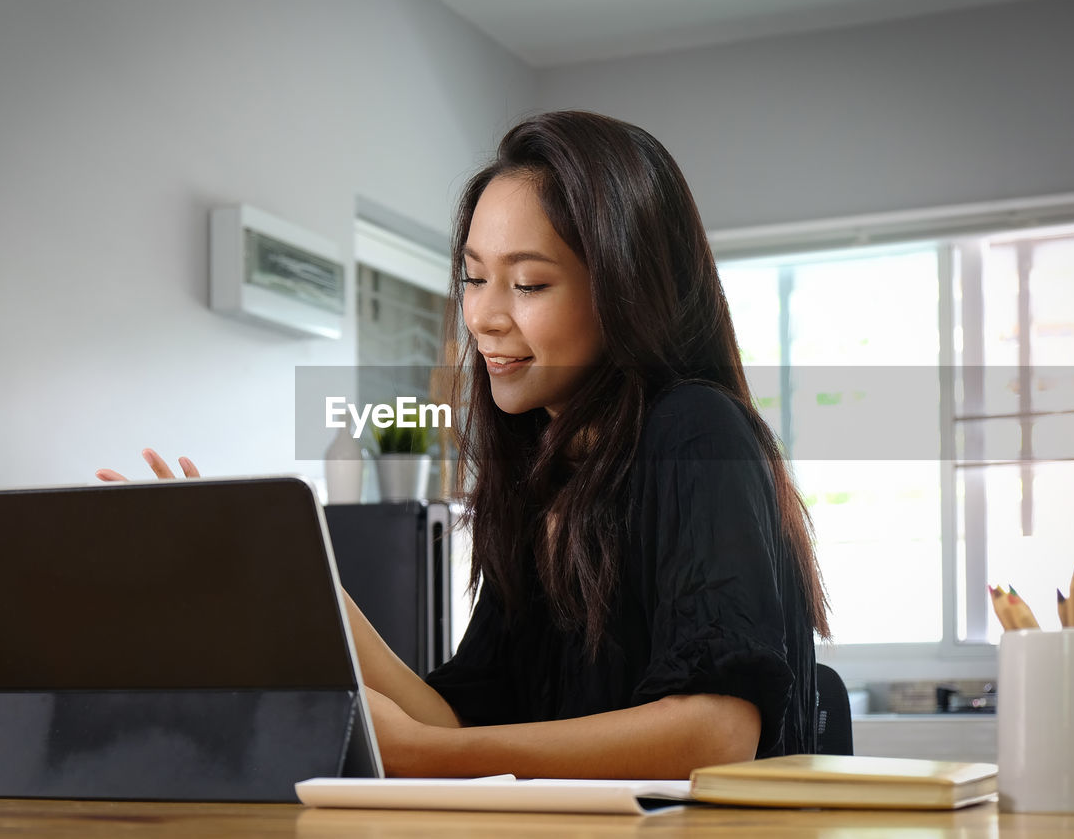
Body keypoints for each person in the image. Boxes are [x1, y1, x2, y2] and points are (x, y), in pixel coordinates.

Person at [99, 110, 829, 780]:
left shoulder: (696, 430)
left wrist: (432, 757)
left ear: (629, 289)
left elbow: (717, 733)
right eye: (474, 277)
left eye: (529, 283)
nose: (481, 316)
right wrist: (272, 569)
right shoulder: (543, 479)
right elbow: (456, 715)